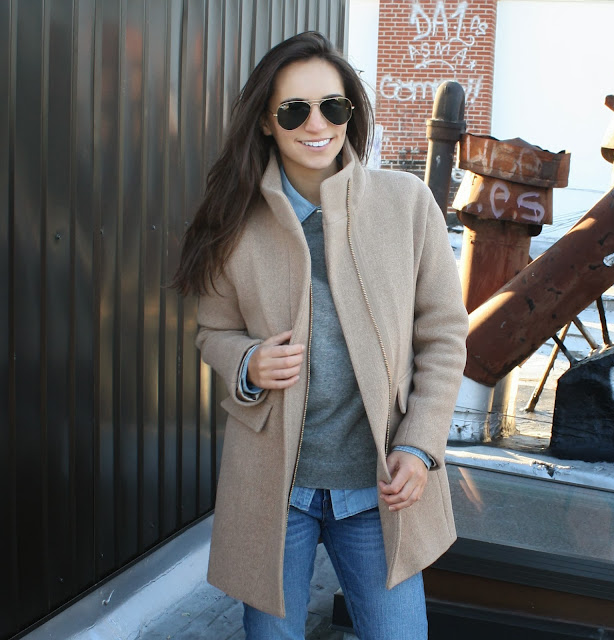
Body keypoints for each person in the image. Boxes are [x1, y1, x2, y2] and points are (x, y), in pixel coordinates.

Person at [173, 31, 468, 640]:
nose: (317, 124)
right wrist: (248, 361)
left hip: (379, 490)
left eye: (333, 106)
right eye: (294, 110)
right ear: (265, 121)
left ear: (350, 113)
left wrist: (419, 445)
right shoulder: (233, 222)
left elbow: (443, 334)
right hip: (276, 492)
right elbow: (213, 331)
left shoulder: (406, 204)